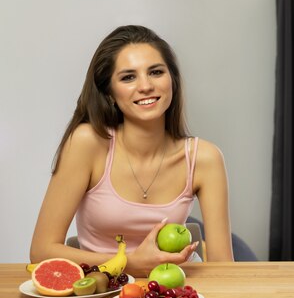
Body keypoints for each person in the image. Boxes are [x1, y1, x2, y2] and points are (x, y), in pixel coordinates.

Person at [30, 25, 233, 276]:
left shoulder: (204, 158)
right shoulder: (88, 143)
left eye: (156, 72)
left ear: (172, 80)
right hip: (103, 292)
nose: (145, 86)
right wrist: (129, 263)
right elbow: (41, 250)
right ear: (110, 93)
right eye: (128, 77)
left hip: (177, 294)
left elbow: (224, 267)